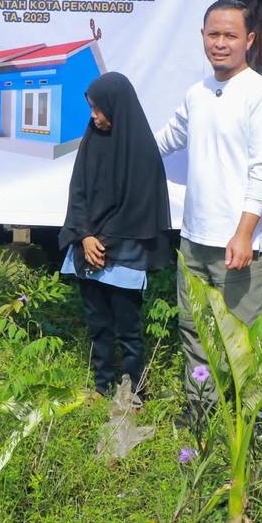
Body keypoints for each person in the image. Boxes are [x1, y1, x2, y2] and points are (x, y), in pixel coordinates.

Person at [156, 0, 262, 417]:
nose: (220, 43)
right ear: (202, 37)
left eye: (230, 35)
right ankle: (203, 418)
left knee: (245, 339)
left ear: (249, 40)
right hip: (195, 240)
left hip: (240, 244)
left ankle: (258, 429)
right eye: (213, 34)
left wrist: (245, 232)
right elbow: (162, 142)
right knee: (195, 332)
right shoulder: (198, 94)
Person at [60, 73, 173, 398]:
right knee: (99, 324)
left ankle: (135, 388)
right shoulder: (92, 141)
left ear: (116, 106)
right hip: (89, 246)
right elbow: (77, 192)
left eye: (98, 108)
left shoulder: (142, 151)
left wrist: (102, 242)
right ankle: (101, 384)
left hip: (124, 252)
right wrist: (84, 236)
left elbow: (139, 209)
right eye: (92, 108)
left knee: (127, 326)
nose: (94, 116)